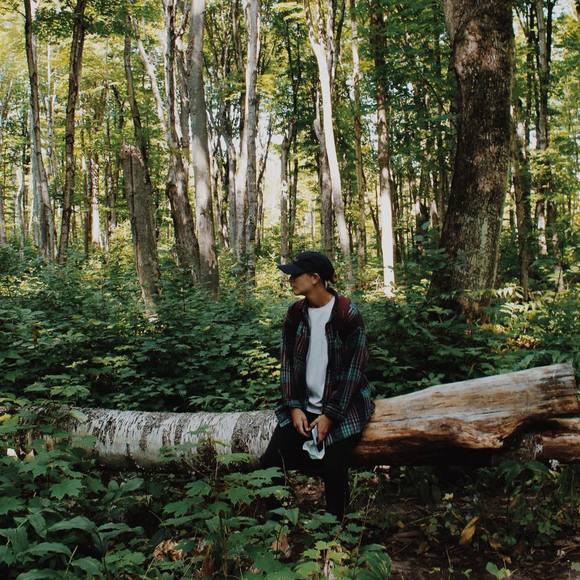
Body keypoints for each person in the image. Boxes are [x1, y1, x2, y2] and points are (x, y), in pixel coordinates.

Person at [260, 251, 374, 519]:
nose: (290, 280)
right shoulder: (295, 314)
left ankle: (336, 533)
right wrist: (294, 407)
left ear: (315, 278)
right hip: (304, 408)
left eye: (295, 275)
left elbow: (354, 371)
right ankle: (279, 527)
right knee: (269, 464)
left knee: (334, 469)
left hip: (342, 409)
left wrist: (330, 415)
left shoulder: (346, 313)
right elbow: (287, 364)